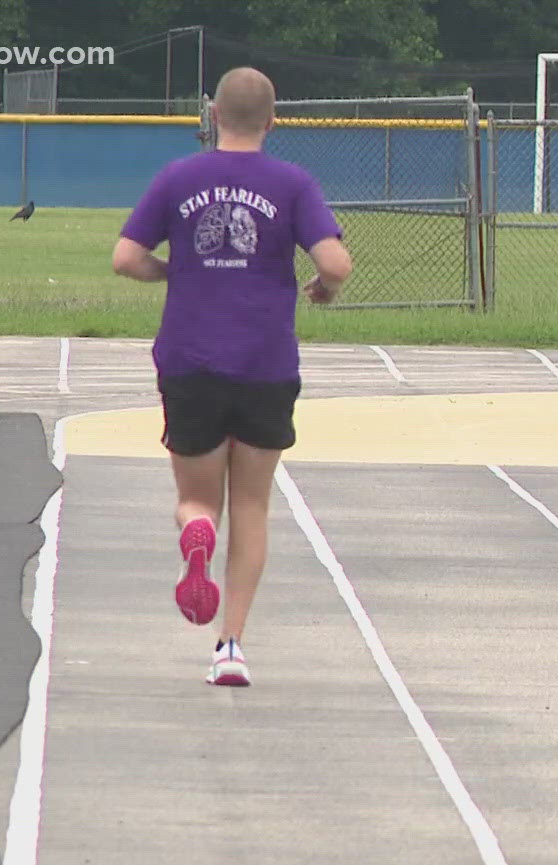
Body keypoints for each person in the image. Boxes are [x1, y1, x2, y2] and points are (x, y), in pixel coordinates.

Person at [112, 66, 351, 687]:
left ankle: (196, 527)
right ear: (273, 121)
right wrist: (322, 285)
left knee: (198, 495)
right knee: (252, 503)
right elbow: (335, 261)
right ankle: (230, 647)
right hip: (265, 363)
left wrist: (175, 270)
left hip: (191, 360)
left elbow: (125, 258)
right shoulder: (293, 184)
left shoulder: (179, 177)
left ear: (212, 115)